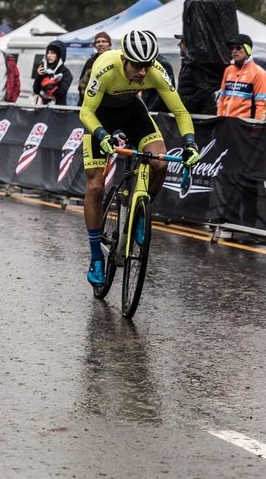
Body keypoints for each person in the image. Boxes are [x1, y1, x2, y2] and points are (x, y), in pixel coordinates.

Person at [78, 29, 201, 287]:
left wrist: (190, 142)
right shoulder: (104, 67)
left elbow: (180, 111)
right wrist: (101, 135)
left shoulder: (155, 71)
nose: (143, 73)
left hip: (133, 113)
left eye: (147, 66)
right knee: (96, 187)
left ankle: (143, 211)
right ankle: (96, 257)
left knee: (161, 163)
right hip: (100, 117)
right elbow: (86, 112)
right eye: (138, 66)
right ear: (124, 59)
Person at [215, 34, 266, 119]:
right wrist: (219, 120)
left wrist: (255, 130)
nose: (234, 51)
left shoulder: (259, 73)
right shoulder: (228, 70)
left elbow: (261, 105)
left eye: (238, 48)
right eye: (232, 48)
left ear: (248, 50)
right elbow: (222, 99)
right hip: (225, 123)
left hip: (244, 125)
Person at [33, 40, 73, 106]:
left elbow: (61, 93)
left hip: (57, 111)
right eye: (48, 53)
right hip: (41, 110)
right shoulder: (43, 69)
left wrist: (49, 85)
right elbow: (36, 90)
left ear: (59, 55)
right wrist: (38, 76)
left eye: (52, 53)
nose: (49, 55)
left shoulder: (65, 73)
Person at [77, 31, 112, 102]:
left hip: (113, 101)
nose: (100, 44)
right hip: (94, 101)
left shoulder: (117, 59)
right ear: (95, 45)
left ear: (109, 44)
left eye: (104, 41)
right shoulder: (90, 62)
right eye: (98, 42)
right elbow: (82, 84)